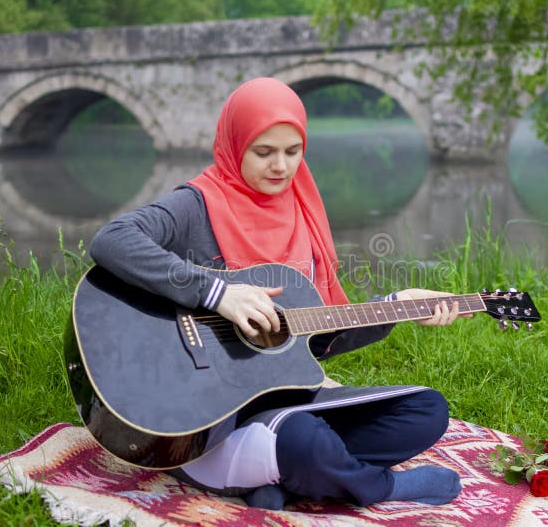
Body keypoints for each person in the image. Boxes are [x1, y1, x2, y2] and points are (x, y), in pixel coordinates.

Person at [89, 77, 465, 510]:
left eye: (293, 151)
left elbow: (313, 340)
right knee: (304, 439)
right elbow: (112, 240)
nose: (281, 167)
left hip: (278, 403)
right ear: (235, 145)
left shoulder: (301, 211)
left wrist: (395, 307)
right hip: (199, 423)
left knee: (425, 410)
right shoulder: (196, 205)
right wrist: (215, 293)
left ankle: (279, 479)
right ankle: (381, 488)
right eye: (263, 152)